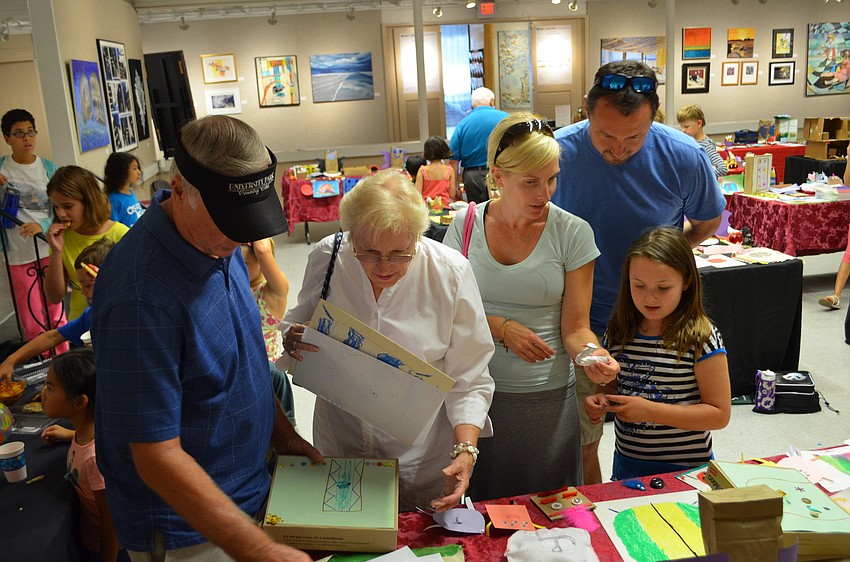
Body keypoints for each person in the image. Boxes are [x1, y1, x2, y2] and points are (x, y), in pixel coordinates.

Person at [91, 115, 322, 562]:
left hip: (248, 492)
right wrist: (257, 549)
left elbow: (246, 356)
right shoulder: (139, 297)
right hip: (187, 530)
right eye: (230, 222)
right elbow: (155, 457)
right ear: (179, 190)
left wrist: (282, 434)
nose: (239, 238)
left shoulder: (214, 239)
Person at [551, 60, 726, 484]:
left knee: (657, 418)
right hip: (579, 318)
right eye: (606, 136)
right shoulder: (557, 153)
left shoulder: (684, 155)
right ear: (586, 110)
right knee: (582, 441)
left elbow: (707, 220)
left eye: (634, 137)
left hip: (655, 322)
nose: (619, 149)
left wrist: (664, 266)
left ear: (653, 118)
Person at [282, 168, 495, 512]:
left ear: (417, 236)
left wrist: (465, 451)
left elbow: (470, 377)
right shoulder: (329, 257)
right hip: (341, 438)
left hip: (420, 455)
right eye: (368, 252)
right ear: (351, 236)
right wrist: (292, 338)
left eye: (399, 253)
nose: (383, 266)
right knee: (347, 524)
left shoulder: (449, 273)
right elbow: (297, 321)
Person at [443, 113, 619, 499]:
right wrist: (500, 327)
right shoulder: (465, 225)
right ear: (498, 176)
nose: (545, 194)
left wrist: (594, 355)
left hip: (548, 399)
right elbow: (445, 312)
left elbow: (576, 329)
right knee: (485, 512)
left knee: (552, 508)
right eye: (531, 182)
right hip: (477, 397)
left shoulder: (572, 232)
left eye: (552, 179)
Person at [585, 227, 731, 480]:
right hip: (628, 465)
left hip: (687, 470)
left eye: (663, 288)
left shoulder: (701, 337)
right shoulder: (619, 331)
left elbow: (719, 414)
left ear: (686, 281)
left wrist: (651, 411)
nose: (649, 297)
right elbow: (613, 386)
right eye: (639, 286)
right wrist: (601, 399)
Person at [40, 348, 129, 562]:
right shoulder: (87, 433)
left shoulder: (94, 459)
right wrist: (69, 435)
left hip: (106, 550)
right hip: (91, 539)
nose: (43, 393)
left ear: (79, 402)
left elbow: (112, 524)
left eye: (50, 388)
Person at [0, 238, 113, 385]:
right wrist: (11, 360)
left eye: (86, 285)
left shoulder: (128, 312)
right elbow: (53, 336)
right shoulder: (91, 315)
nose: (83, 292)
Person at [0, 108, 67, 349]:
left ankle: (63, 355)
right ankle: (40, 359)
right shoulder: (2, 168)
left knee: (55, 307)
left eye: (30, 132)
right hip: (16, 254)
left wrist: (43, 225)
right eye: (19, 133)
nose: (27, 138)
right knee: (29, 314)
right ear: (7, 138)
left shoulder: (49, 168)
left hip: (48, 248)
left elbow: (63, 210)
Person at [45, 166, 128, 321]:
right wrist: (56, 253)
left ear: (89, 201)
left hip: (116, 321)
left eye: (67, 206)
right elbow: (55, 297)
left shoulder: (120, 234)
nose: (61, 214)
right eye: (56, 206)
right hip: (80, 324)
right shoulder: (62, 238)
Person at [241, 238, 296, 424]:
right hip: (242, 369)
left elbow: (263, 250)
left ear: (262, 262)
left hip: (267, 374)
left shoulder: (273, 292)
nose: (238, 268)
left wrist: (250, 230)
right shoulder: (236, 288)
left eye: (245, 262)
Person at [449, 87, 508, 204]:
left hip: (472, 177)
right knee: (505, 208)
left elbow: (453, 161)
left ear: (472, 105)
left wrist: (455, 187)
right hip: (501, 172)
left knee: (478, 211)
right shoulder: (505, 119)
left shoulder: (463, 124)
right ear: (492, 101)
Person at [677, 105, 728, 178]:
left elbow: (722, 169)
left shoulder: (706, 145)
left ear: (699, 123)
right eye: (681, 126)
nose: (683, 130)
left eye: (686, 126)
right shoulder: (690, 141)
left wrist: (700, 178)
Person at [103, 152, 144, 227]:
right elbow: (115, 228)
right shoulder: (113, 200)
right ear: (122, 171)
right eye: (134, 168)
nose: (139, 172)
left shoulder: (131, 193)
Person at [415, 136, 457, 205]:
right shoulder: (450, 170)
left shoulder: (422, 170)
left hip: (427, 207)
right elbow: (452, 194)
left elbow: (417, 193)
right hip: (444, 207)